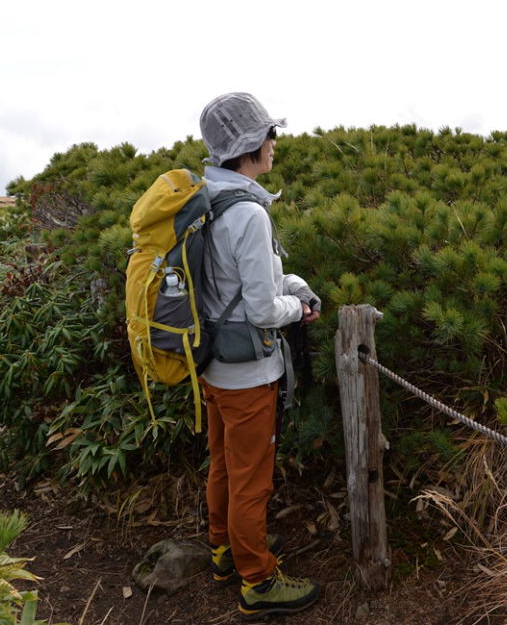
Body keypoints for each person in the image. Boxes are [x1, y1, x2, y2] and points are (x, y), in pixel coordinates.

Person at [198, 92, 323, 620]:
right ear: (252, 146)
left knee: (224, 465)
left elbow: (244, 282)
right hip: (249, 373)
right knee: (253, 480)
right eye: (269, 135)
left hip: (213, 366)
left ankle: (223, 548)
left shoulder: (209, 195)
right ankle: (258, 580)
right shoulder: (248, 212)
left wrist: (292, 287)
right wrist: (300, 309)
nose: (275, 143)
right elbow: (260, 308)